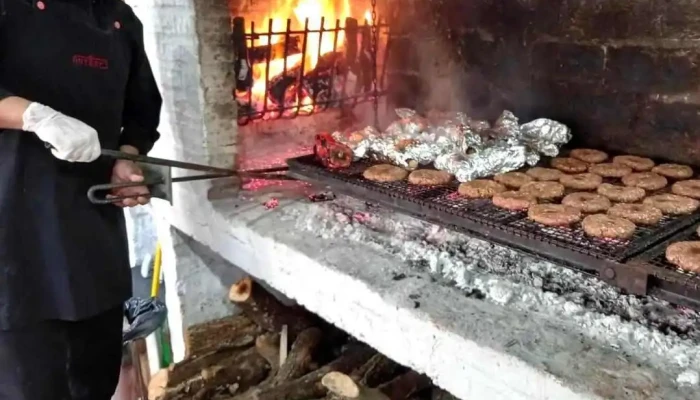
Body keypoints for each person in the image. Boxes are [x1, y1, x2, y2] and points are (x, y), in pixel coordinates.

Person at [0, 0, 162, 398]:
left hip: (94, 242)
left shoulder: (118, 18)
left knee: (96, 380)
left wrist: (127, 159)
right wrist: (36, 117)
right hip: (16, 251)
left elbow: (141, 112)